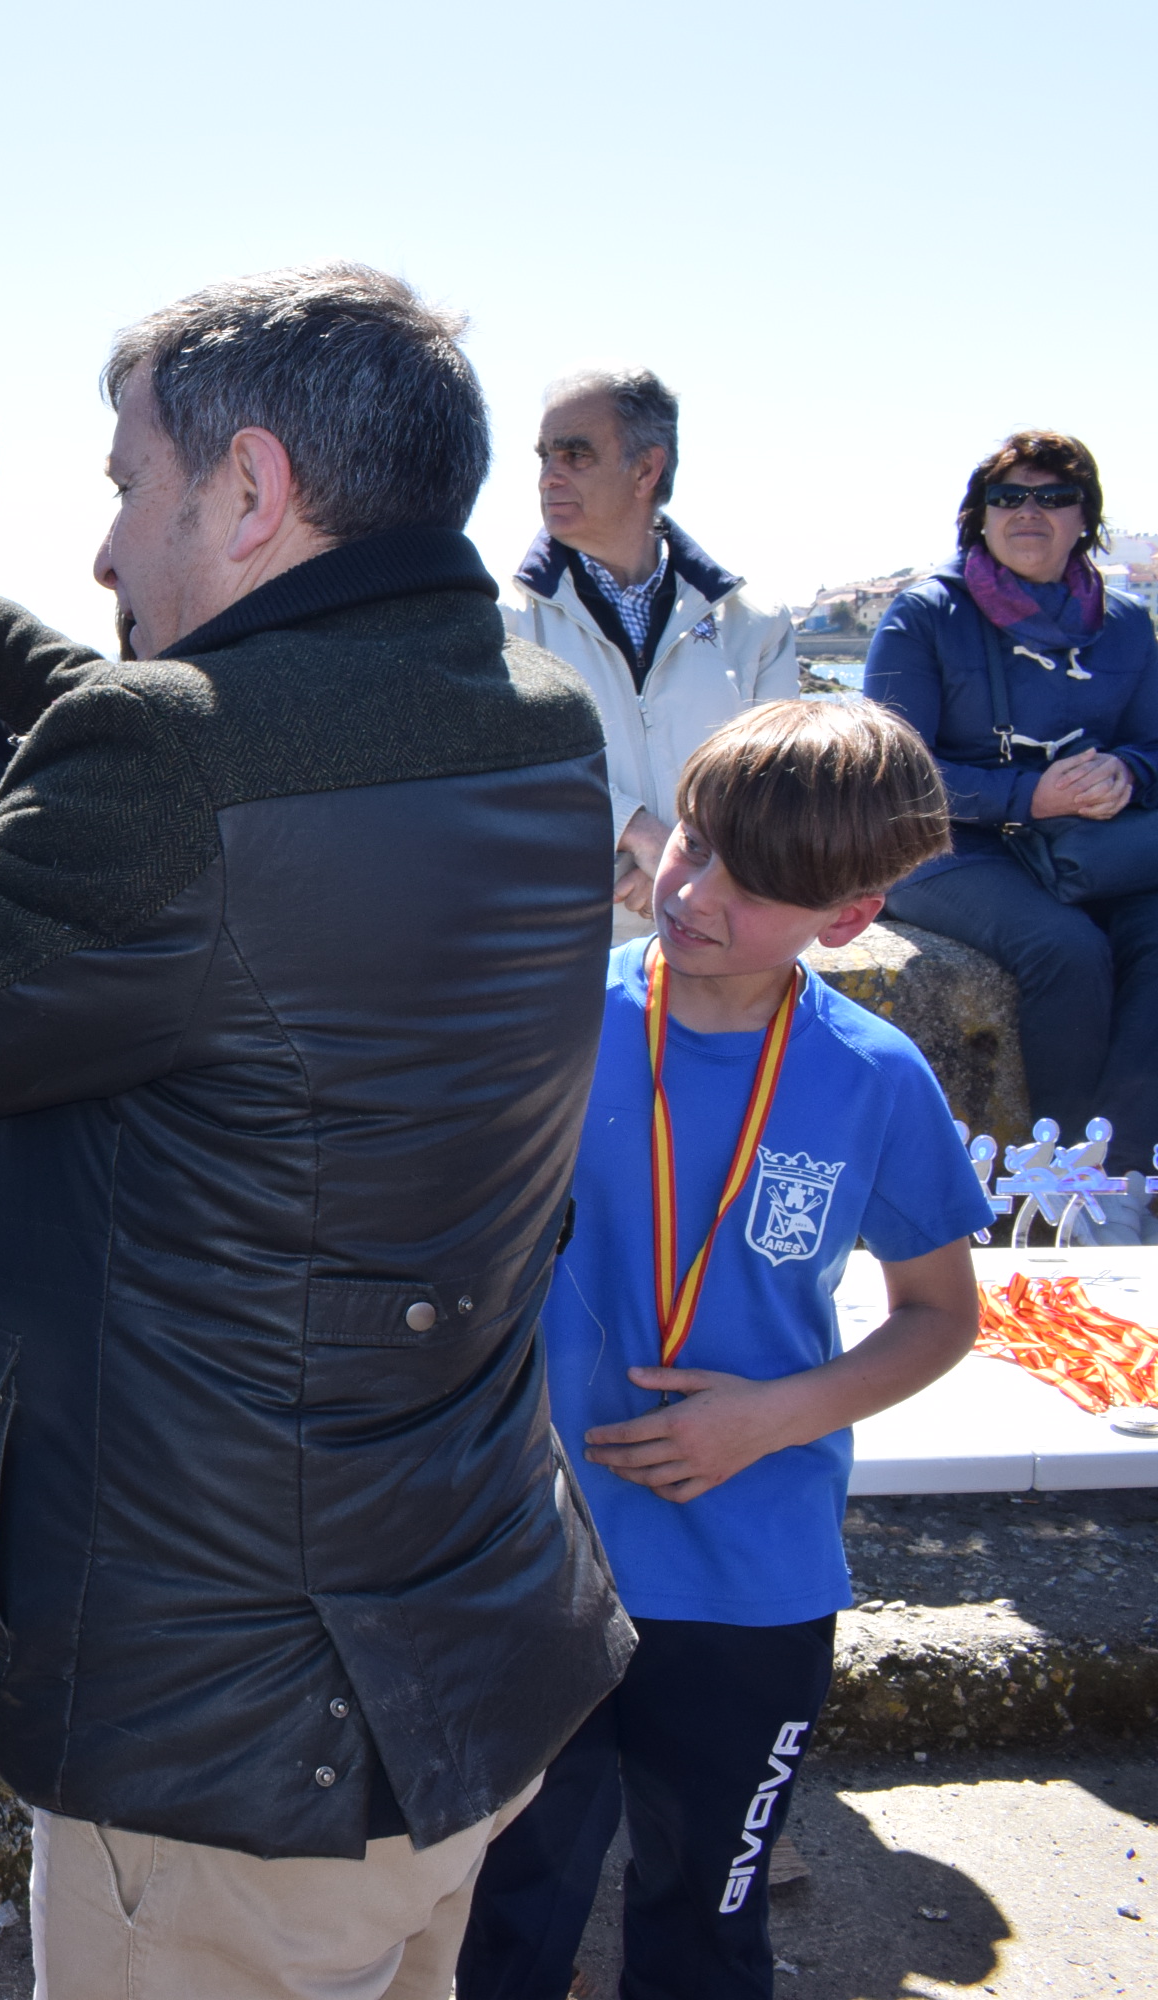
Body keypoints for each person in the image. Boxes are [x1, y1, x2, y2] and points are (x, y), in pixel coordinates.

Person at [0, 262, 634, 2000]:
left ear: (251, 488)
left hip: (232, 1752)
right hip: (463, 1657)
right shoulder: (525, 719)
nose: (101, 548)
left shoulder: (187, 777)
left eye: (127, 486)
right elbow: (171, 741)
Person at [457, 699, 987, 2000]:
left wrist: (768, 1417)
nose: (693, 895)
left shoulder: (874, 1077)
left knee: (707, 1918)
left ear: (848, 918)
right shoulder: (544, 1017)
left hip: (751, 1576)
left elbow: (939, 1314)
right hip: (533, 1561)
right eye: (692, 847)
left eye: (751, 889)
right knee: (502, 1915)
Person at [868, 431, 1158, 1222]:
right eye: (1009, 497)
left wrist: (1127, 773)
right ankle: (1066, 1184)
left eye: (1054, 496)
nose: (1030, 511)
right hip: (941, 847)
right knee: (1067, 950)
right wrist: (1032, 795)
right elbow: (893, 767)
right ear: (981, 516)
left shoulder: (1127, 624)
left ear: (1084, 519)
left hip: (1084, 847)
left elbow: (1152, 744)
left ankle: (1124, 1173)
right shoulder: (924, 615)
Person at [499, 367, 799, 938]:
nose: (548, 478)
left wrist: (682, 865)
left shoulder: (755, 622)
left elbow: (779, 787)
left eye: (575, 455)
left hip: (719, 940)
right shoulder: (498, 619)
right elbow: (497, 769)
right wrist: (634, 831)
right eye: (544, 456)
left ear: (646, 469)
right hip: (564, 948)